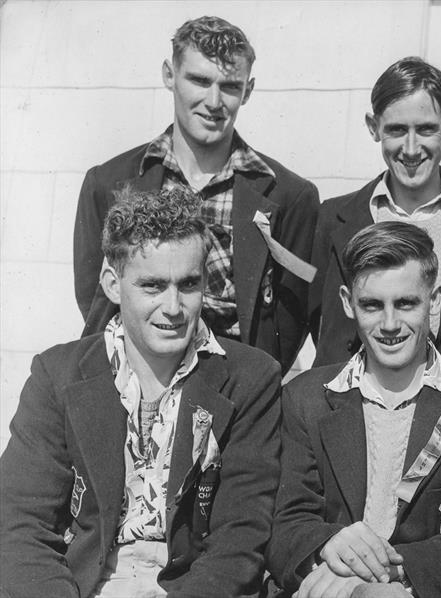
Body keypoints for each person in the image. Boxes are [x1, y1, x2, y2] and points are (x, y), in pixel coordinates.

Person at [1, 186, 282, 598]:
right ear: (113, 285)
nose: (174, 307)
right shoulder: (57, 374)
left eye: (188, 284)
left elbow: (240, 537)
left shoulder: (250, 377)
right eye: (152, 286)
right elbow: (19, 522)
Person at [270, 221, 441, 598]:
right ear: (346, 301)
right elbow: (286, 523)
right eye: (371, 305)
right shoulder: (304, 397)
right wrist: (327, 544)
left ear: (435, 298)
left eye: (406, 303)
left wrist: (375, 580)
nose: (390, 324)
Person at [74, 16, 319, 374]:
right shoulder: (109, 182)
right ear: (169, 76)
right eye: (200, 80)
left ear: (248, 91)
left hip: (236, 389)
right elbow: (95, 293)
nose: (214, 101)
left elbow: (290, 317)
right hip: (133, 377)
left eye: (230, 86)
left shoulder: (290, 195)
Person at [309, 56, 441, 406]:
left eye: (426, 129)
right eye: (396, 130)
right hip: (360, 413)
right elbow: (327, 326)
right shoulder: (336, 217)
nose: (411, 149)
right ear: (373, 127)